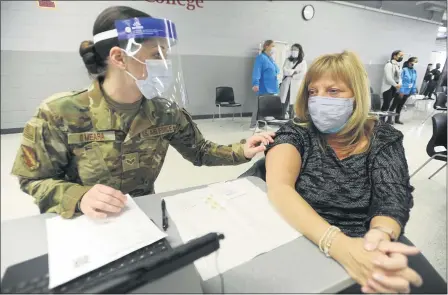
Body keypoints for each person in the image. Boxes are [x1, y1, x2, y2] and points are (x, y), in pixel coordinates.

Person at [10, 6, 275, 219]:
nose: (165, 64)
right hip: (83, 221)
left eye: (166, 55)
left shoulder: (164, 111)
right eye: (156, 54)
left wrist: (242, 150)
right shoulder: (60, 112)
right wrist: (76, 197)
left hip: (141, 217)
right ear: (118, 57)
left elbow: (200, 150)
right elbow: (33, 179)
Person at [264, 51, 447, 293]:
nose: (319, 99)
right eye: (313, 91)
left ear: (356, 95)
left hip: (366, 240)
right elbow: (280, 187)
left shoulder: (383, 137)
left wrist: (380, 235)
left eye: (333, 91)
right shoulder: (297, 132)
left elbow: (392, 196)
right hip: (305, 235)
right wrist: (339, 246)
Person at [250, 40, 280, 128]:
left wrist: (273, 60)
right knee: (259, 106)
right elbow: (257, 71)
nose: (274, 48)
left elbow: (277, 70)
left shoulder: (270, 59)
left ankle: (262, 124)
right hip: (264, 86)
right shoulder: (261, 58)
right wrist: (255, 83)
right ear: (266, 46)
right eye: (272, 46)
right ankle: (253, 125)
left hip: (271, 87)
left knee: (266, 107)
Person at [279, 43, 307, 119]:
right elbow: (284, 71)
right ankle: (281, 117)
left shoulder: (303, 62)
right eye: (292, 49)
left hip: (296, 85)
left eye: (295, 49)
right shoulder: (287, 60)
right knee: (284, 101)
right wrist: (294, 71)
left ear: (300, 51)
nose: (293, 51)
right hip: (286, 84)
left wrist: (291, 74)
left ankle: (292, 118)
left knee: (293, 102)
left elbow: (302, 74)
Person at [391, 57, 418, 124]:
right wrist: (401, 91)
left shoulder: (414, 71)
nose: (414, 64)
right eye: (413, 62)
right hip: (401, 91)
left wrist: (413, 91)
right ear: (409, 62)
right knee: (393, 106)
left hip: (408, 92)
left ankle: (397, 119)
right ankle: (388, 119)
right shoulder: (403, 70)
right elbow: (400, 81)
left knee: (400, 106)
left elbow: (413, 82)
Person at [380, 50, 403, 123]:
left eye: (402, 56)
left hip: (394, 87)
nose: (401, 57)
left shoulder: (398, 65)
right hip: (388, 87)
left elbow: (399, 77)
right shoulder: (388, 65)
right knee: (386, 105)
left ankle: (386, 121)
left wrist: (399, 83)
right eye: (400, 55)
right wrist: (396, 85)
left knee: (390, 104)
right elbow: (388, 78)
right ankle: (381, 121)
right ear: (394, 56)